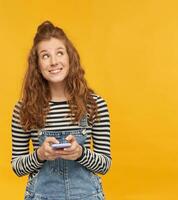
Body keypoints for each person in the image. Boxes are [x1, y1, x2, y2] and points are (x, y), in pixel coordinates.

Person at [11, 21, 111, 200]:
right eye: (45, 56)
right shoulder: (23, 109)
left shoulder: (95, 105)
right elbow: (17, 167)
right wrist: (40, 154)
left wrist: (80, 153)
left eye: (59, 53)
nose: (54, 61)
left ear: (70, 57)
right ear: (37, 65)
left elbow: (104, 165)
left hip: (87, 196)